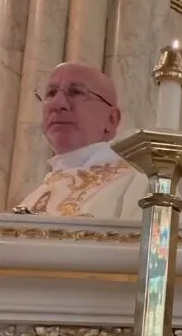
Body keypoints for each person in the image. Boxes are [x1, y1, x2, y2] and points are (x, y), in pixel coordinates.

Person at [14, 63, 148, 219]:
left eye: (76, 92)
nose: (57, 104)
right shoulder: (34, 197)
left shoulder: (141, 186)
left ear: (111, 119)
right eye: (51, 93)